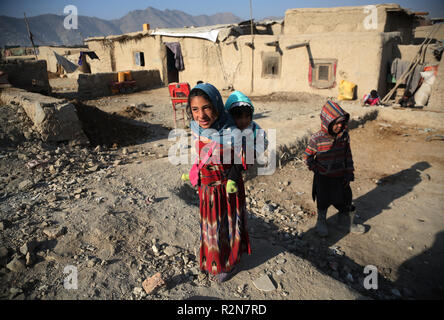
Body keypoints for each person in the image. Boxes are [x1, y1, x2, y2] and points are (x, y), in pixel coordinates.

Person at [182, 83, 251, 282]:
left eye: (206, 107)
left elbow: (242, 161)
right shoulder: (195, 128)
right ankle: (211, 259)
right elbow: (200, 156)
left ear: (217, 106)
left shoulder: (231, 131)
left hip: (226, 190)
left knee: (227, 227)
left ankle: (229, 264)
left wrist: (230, 180)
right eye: (195, 109)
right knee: (210, 227)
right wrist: (196, 174)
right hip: (206, 189)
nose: (200, 115)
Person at [303, 100, 365, 237]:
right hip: (323, 177)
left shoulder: (344, 136)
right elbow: (307, 157)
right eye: (336, 123)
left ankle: (345, 222)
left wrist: (349, 172)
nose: (340, 126)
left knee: (345, 199)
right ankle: (321, 221)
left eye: (342, 122)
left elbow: (347, 155)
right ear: (327, 122)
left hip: (340, 175)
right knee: (323, 200)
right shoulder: (317, 139)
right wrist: (316, 169)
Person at [223, 90, 268, 193]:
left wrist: (254, 152)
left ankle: (231, 180)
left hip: (245, 156)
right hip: (229, 155)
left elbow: (264, 141)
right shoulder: (228, 127)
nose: (244, 121)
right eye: (239, 117)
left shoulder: (254, 127)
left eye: (247, 117)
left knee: (239, 162)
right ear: (230, 116)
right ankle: (195, 174)